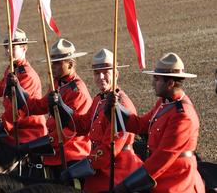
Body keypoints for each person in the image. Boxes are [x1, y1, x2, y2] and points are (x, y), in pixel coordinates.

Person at [113, 52, 205, 193]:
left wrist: (127, 185)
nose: (152, 83)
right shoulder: (164, 103)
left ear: (170, 83)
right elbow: (141, 125)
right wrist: (115, 108)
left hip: (177, 183)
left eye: (156, 79)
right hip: (161, 178)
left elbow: (163, 157)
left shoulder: (182, 115)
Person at [61, 48, 143, 192]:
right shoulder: (99, 100)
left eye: (106, 72)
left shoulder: (121, 105)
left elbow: (108, 150)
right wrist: (61, 108)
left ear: (116, 74)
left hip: (116, 174)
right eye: (97, 73)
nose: (101, 77)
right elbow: (83, 125)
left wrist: (76, 170)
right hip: (99, 171)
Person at [11, 38, 93, 179]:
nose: (52, 67)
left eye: (56, 63)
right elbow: (38, 106)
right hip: (54, 153)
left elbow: (70, 130)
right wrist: (17, 89)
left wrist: (38, 144)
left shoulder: (77, 91)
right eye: (51, 63)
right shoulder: (56, 84)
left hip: (70, 153)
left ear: (70, 64)